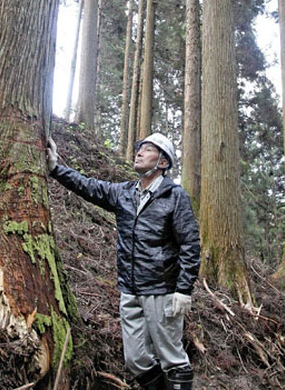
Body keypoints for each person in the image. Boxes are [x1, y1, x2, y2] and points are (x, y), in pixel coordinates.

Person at [46, 132, 200, 390]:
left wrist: (184, 289)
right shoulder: (125, 193)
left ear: (162, 162)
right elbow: (89, 186)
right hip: (129, 290)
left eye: (148, 149)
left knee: (172, 360)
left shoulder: (175, 197)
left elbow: (190, 245)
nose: (138, 152)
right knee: (136, 359)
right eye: (140, 148)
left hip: (161, 290)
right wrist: (55, 169)